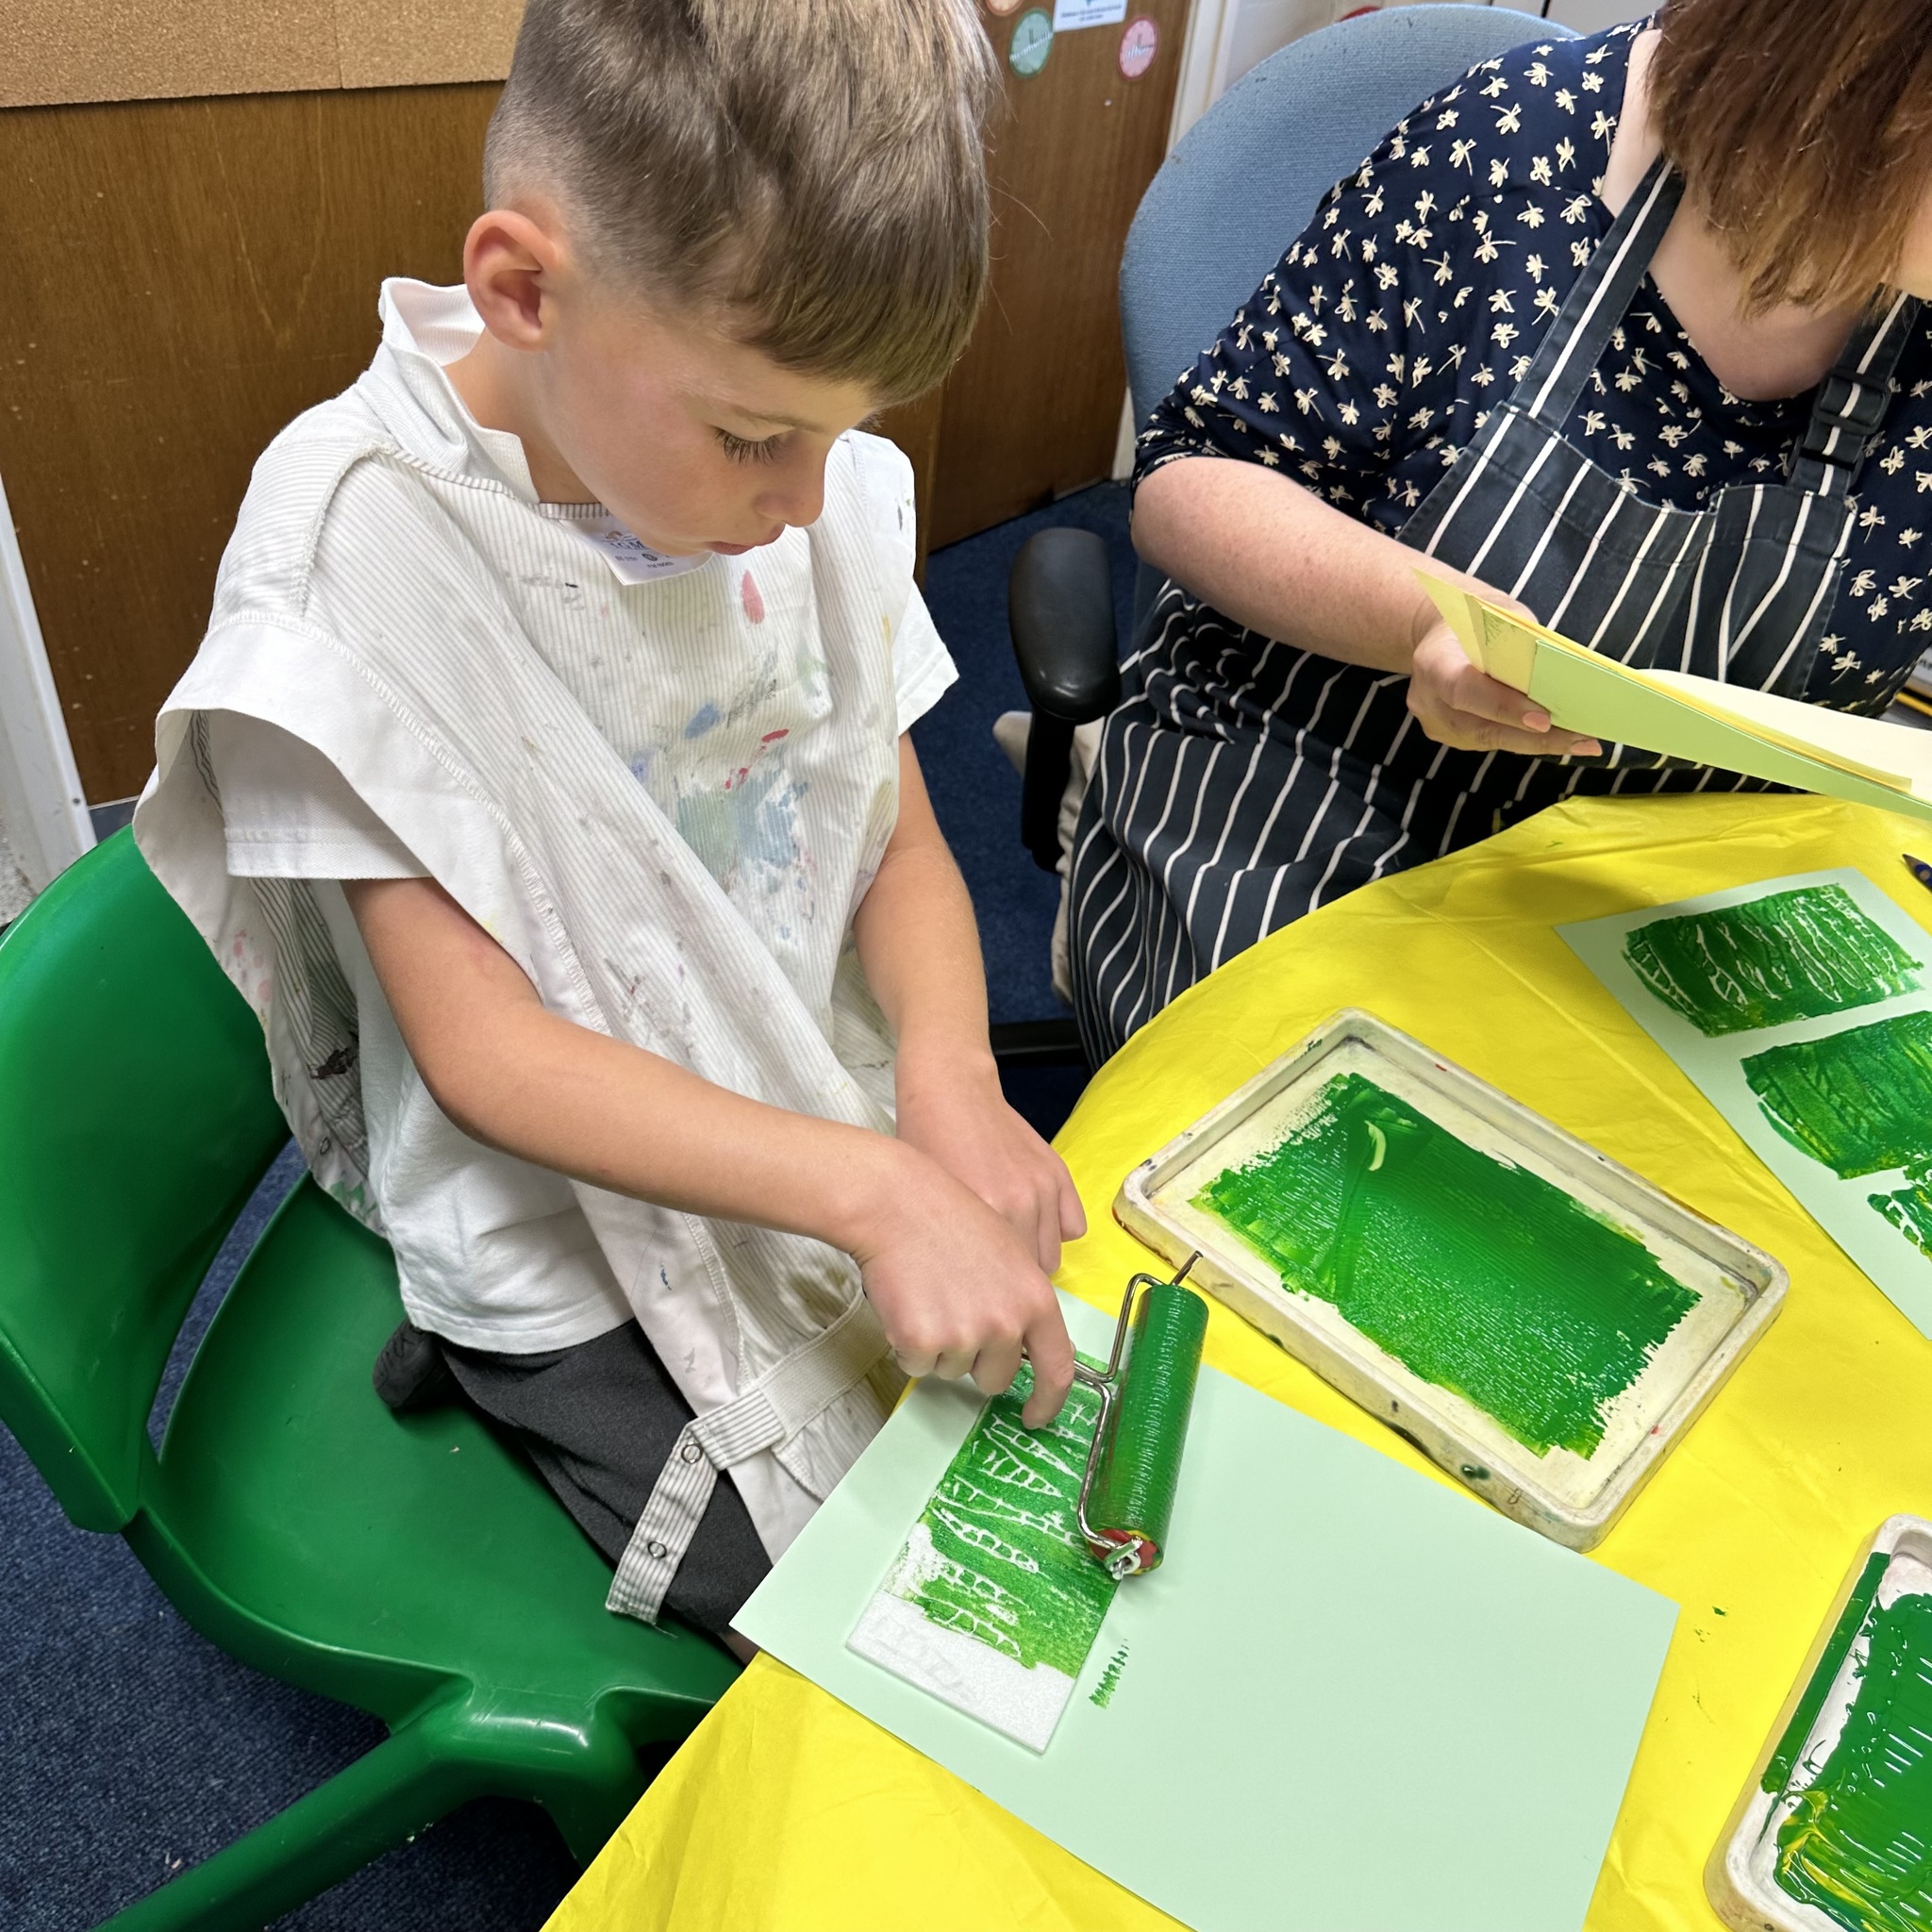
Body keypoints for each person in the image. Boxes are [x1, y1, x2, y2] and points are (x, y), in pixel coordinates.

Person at [135, 0, 1083, 1657]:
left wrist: (946, 1078)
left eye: (843, 435)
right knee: (857, 1610)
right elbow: (490, 1057)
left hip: (801, 1097)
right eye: (755, 437)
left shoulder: (773, 455)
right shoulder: (358, 553)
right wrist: (875, 1189)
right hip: (553, 1214)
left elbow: (892, 836)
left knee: (1016, 1415)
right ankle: (479, 1366)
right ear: (523, 290)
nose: (803, 504)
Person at [1069, 0, 1932, 1063]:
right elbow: (1193, 478)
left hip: (1672, 890)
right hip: (1323, 803)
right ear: (1859, 89)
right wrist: (1420, 620)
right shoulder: (1514, 153)